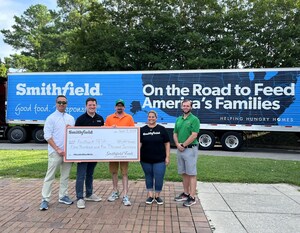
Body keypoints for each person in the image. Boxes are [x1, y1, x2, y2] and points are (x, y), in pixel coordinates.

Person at [39, 95, 75, 211]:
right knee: (50, 176)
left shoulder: (70, 118)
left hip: (67, 153)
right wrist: (57, 149)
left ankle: (63, 196)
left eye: (64, 103)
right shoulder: (51, 118)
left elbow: (74, 135)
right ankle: (45, 199)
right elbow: (47, 136)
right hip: (55, 152)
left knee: (65, 176)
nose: (61, 104)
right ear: (56, 103)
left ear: (67, 104)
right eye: (59, 102)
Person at [75, 97, 105, 209]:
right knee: (81, 175)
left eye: (94, 105)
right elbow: (75, 137)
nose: (92, 107)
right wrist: (75, 154)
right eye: (90, 105)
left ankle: (89, 194)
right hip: (82, 153)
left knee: (90, 174)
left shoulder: (100, 119)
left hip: (95, 152)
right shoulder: (80, 119)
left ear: (96, 106)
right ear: (86, 106)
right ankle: (79, 198)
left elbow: (103, 135)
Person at [105, 99, 135, 206]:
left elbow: (132, 133)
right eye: (118, 105)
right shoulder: (109, 118)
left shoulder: (129, 118)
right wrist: (110, 129)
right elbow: (104, 134)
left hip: (124, 150)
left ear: (124, 108)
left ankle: (125, 195)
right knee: (114, 172)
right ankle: (115, 191)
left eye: (121, 106)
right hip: (112, 150)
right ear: (115, 107)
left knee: (124, 173)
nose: (119, 107)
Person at [173, 99, 200, 207]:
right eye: (184, 105)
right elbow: (175, 133)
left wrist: (183, 145)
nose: (185, 107)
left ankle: (192, 197)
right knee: (184, 172)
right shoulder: (179, 119)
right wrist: (177, 144)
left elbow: (194, 135)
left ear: (191, 107)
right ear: (181, 107)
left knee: (192, 173)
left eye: (187, 106)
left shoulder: (194, 119)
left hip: (190, 149)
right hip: (180, 149)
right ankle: (186, 193)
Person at [140, 110, 170, 205]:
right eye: (149, 116)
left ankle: (157, 196)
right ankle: (150, 195)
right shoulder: (142, 129)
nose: (151, 118)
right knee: (148, 176)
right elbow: (139, 143)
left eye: (153, 117)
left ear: (156, 118)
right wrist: (136, 155)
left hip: (160, 159)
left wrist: (167, 157)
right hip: (145, 159)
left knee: (159, 177)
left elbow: (167, 143)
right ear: (147, 118)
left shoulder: (162, 129)